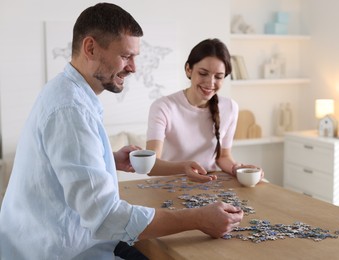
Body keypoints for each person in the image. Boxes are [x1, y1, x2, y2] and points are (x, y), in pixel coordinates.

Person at [0, 3, 243, 259]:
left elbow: (64, 163)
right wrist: (197, 218)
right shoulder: (71, 109)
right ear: (90, 48)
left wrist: (109, 158)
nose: (133, 68)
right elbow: (106, 218)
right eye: (127, 56)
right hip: (60, 252)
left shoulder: (67, 92)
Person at [146, 38, 264, 182]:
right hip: (169, 185)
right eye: (203, 73)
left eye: (218, 77)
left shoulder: (230, 108)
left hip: (210, 184)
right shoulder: (163, 107)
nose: (210, 82)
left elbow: (223, 157)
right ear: (188, 69)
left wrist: (237, 169)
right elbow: (150, 166)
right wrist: (185, 168)